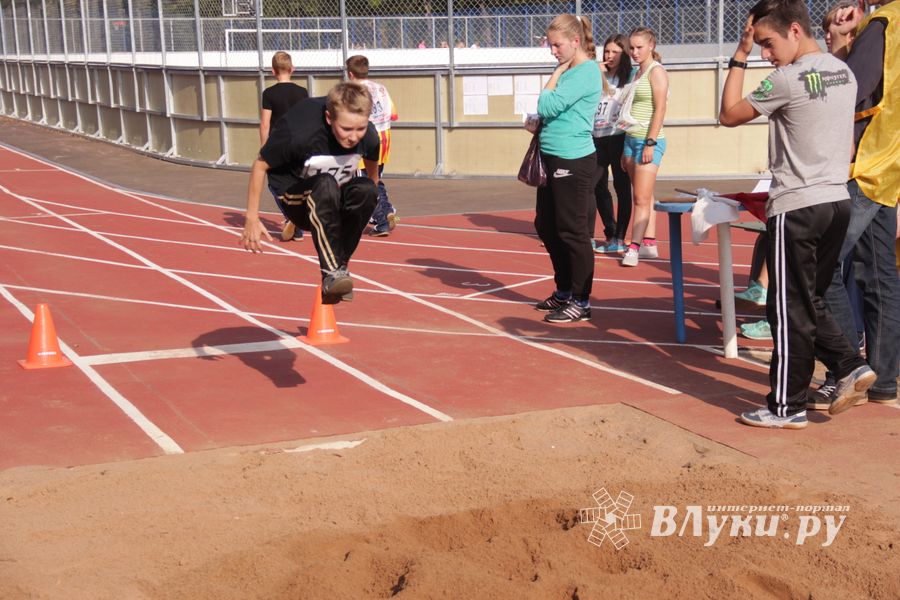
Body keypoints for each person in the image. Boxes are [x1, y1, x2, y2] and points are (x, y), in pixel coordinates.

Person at [719, 0, 875, 429]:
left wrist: (740, 55)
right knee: (810, 301)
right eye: (761, 47)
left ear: (793, 30)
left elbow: (728, 114)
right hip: (836, 202)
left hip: (798, 204)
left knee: (787, 308)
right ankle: (849, 366)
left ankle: (786, 407)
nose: (766, 54)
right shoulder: (843, 71)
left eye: (769, 43)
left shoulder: (786, 79)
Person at [810, 0, 900, 410]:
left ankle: (847, 369)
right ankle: (884, 378)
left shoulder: (883, 24)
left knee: (818, 263)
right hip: (890, 164)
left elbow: (850, 88)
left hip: (865, 163)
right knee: (879, 275)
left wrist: (844, 44)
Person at [239, 82, 380, 305]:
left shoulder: (369, 137)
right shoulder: (300, 131)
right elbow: (260, 165)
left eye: (360, 129)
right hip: (296, 198)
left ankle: (339, 269)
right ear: (328, 118)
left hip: (333, 196)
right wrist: (252, 217)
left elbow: (373, 173)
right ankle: (332, 273)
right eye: (346, 129)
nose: (354, 137)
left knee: (366, 189)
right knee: (324, 184)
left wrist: (367, 201)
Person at [528, 13, 602, 323]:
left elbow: (547, 104)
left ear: (575, 42)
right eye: (550, 45)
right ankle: (564, 290)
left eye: (557, 45)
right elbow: (549, 111)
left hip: (573, 159)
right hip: (552, 156)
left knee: (573, 231)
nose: (552, 51)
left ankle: (581, 300)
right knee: (545, 225)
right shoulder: (571, 70)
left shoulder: (584, 72)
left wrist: (555, 74)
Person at [620, 28, 668, 267]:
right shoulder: (634, 73)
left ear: (651, 45)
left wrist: (650, 142)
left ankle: (634, 247)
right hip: (629, 139)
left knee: (640, 197)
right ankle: (649, 242)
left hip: (648, 141)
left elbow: (660, 109)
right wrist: (624, 148)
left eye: (639, 47)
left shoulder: (656, 72)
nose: (634, 52)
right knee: (642, 194)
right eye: (631, 47)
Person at [346, 54, 400, 237]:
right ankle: (387, 209)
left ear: (350, 73)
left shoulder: (351, 91)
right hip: (384, 137)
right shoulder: (381, 89)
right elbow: (393, 115)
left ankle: (382, 219)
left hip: (365, 137)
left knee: (365, 182)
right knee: (374, 176)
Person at [590, 34, 633, 255]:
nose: (609, 56)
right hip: (597, 136)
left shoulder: (631, 76)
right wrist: (593, 73)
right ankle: (610, 229)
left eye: (615, 52)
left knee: (622, 187)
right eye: (607, 51)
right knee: (595, 184)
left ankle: (620, 237)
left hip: (619, 136)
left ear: (624, 54)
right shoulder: (599, 75)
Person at [260, 51, 310, 242]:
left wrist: (264, 148)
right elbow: (307, 118)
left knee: (275, 185)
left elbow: (265, 123)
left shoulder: (269, 93)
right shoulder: (302, 92)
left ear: (273, 71)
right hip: (299, 144)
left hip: (278, 144)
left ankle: (292, 217)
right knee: (297, 181)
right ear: (292, 69)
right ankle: (296, 221)